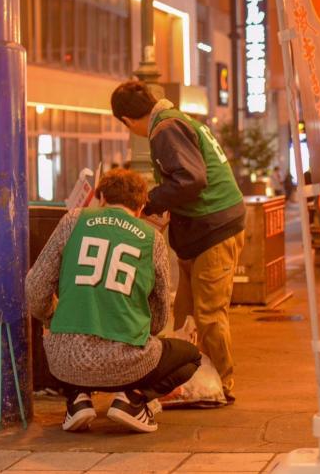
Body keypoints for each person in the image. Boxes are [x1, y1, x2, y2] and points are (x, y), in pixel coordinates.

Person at [26, 168, 201, 433]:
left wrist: (53, 316)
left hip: (65, 362)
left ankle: (76, 400)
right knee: (192, 357)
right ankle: (132, 400)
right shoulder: (152, 239)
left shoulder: (72, 220)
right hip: (127, 364)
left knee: (66, 328)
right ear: (141, 207)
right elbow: (160, 315)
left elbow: (35, 288)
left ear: (101, 198)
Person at [110, 80, 245, 404]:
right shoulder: (175, 121)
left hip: (215, 227)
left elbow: (191, 179)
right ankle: (189, 382)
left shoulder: (165, 129)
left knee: (209, 314)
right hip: (201, 229)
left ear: (127, 122)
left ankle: (223, 386)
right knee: (186, 315)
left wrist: (150, 202)